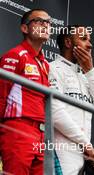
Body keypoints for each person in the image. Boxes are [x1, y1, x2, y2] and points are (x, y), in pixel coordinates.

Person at [49, 25, 94, 175]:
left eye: (89, 39)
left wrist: (90, 71)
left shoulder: (86, 76)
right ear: (68, 43)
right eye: (83, 39)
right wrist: (85, 143)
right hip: (60, 152)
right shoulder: (51, 68)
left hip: (83, 156)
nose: (90, 45)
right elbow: (56, 113)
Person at [0, 9, 51, 175]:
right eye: (38, 20)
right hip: (18, 130)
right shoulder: (15, 55)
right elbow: (1, 96)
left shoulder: (45, 64)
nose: (45, 24)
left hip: (41, 135)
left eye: (48, 22)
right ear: (24, 28)